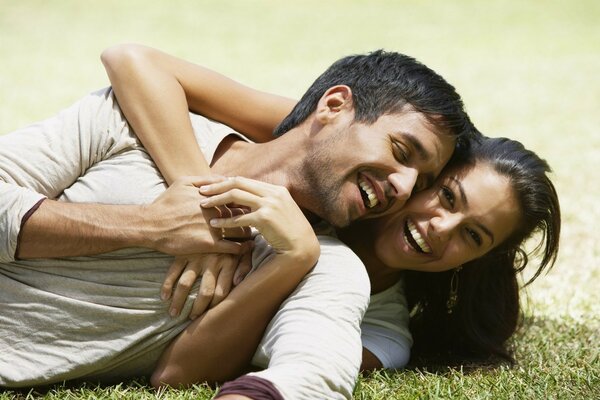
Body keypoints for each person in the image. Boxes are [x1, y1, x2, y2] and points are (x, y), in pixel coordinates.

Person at [0, 48, 474, 399]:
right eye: (401, 151)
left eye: (423, 179)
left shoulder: (324, 265)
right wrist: (150, 225)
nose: (406, 188)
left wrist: (295, 258)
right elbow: (132, 60)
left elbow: (312, 369)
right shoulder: (126, 122)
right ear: (333, 107)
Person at [100, 45, 560, 399]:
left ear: (475, 260)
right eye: (444, 195)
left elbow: (262, 365)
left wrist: (295, 258)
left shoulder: (380, 330)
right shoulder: (343, 152)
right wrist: (205, 214)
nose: (440, 226)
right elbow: (132, 60)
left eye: (472, 235)